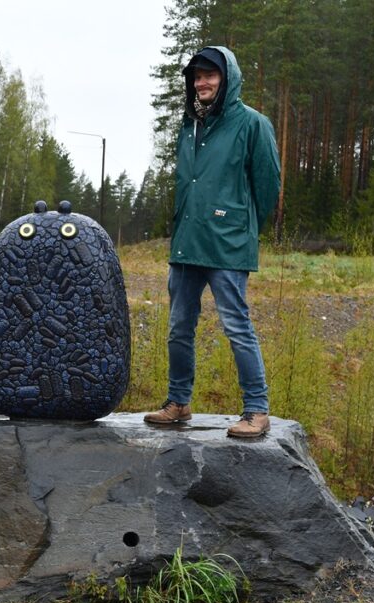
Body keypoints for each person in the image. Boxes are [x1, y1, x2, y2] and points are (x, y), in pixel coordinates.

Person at [144, 46, 281, 438]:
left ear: (227, 79)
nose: (202, 83)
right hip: (188, 241)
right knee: (178, 327)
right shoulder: (189, 125)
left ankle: (257, 409)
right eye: (197, 77)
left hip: (228, 244)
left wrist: (240, 223)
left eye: (210, 76)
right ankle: (178, 402)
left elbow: (267, 185)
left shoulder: (253, 124)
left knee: (237, 326)